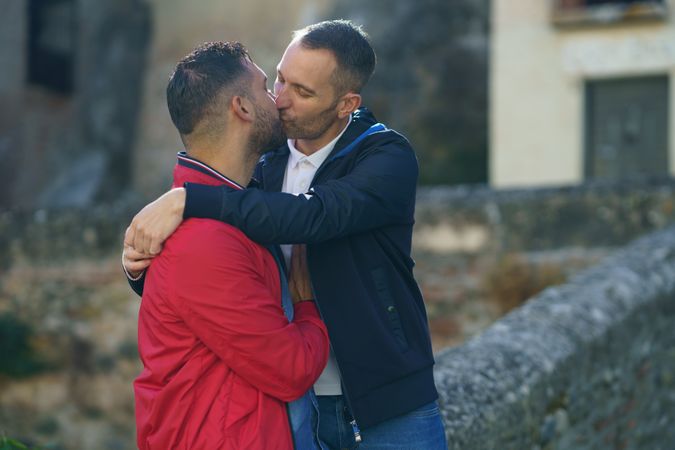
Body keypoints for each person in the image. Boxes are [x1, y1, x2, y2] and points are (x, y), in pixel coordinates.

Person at [125, 20, 448, 449]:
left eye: (303, 92)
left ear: (345, 103)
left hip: (388, 404)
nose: (280, 99)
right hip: (297, 407)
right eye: (279, 79)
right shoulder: (264, 161)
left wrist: (191, 199)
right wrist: (141, 267)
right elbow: (215, 274)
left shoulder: (386, 157)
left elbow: (316, 216)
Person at [131, 41, 330, 450]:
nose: (277, 99)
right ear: (241, 108)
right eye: (264, 87)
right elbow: (291, 368)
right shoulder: (203, 240)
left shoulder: (229, 208)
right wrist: (308, 304)